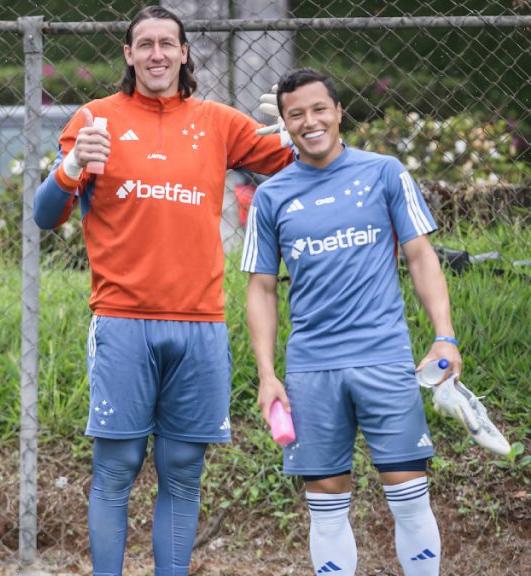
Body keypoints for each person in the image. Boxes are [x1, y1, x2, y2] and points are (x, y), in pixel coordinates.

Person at [33, 6, 294, 574]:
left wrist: (301, 125)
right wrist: (73, 163)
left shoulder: (219, 122)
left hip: (199, 323)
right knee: (117, 466)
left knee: (182, 468)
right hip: (123, 320)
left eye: (167, 44)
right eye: (144, 44)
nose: (156, 53)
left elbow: (295, 160)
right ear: (128, 55)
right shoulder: (95, 120)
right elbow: (44, 215)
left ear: (183, 52)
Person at [241, 68, 458, 575]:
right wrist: (268, 375)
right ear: (285, 124)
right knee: (327, 510)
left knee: (408, 497)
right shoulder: (271, 197)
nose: (310, 122)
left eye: (320, 109)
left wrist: (444, 337)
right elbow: (262, 289)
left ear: (340, 113)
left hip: (384, 360)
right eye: (296, 114)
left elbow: (421, 257)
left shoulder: (384, 172)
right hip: (312, 371)